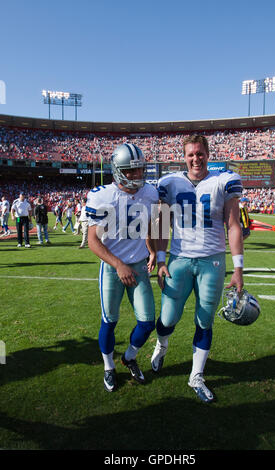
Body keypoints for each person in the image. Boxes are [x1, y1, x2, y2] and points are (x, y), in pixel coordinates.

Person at [151, 134, 244, 403]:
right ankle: (162, 344)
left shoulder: (223, 180)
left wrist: (238, 269)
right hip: (179, 260)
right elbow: (162, 222)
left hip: (211, 261)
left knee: (205, 320)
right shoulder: (169, 183)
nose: (196, 158)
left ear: (207, 154)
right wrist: (160, 260)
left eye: (200, 153)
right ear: (185, 156)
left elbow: (234, 225)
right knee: (168, 318)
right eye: (191, 154)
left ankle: (196, 376)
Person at [86, 143, 159, 392]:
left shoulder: (150, 192)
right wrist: (118, 265)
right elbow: (92, 242)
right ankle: (108, 366)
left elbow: (148, 225)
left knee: (148, 321)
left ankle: (129, 357)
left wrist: (151, 251)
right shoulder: (101, 195)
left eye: (140, 170)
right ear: (118, 170)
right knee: (109, 320)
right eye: (131, 171)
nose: (138, 175)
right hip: (112, 268)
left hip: (138, 266)